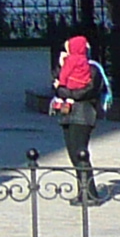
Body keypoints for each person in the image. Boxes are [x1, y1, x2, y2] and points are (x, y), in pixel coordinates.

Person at [49, 33, 104, 191]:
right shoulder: (68, 67)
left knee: (81, 153)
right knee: (73, 155)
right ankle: (82, 190)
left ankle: (90, 192)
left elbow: (85, 92)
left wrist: (63, 91)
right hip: (67, 116)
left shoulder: (92, 69)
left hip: (83, 116)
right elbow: (56, 82)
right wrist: (61, 65)